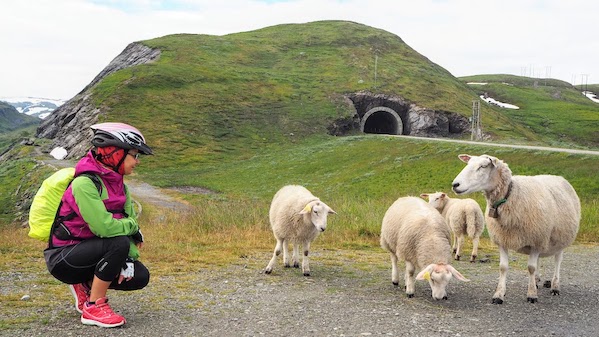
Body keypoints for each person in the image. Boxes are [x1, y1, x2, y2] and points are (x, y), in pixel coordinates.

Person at [43, 122, 153, 328]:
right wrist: (132, 228)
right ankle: (94, 307)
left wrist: (127, 261)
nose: (137, 161)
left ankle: (85, 285)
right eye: (134, 155)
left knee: (138, 276)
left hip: (94, 251)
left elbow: (127, 227)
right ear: (115, 153)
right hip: (64, 258)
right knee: (118, 242)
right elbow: (106, 228)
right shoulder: (84, 184)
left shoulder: (120, 186)